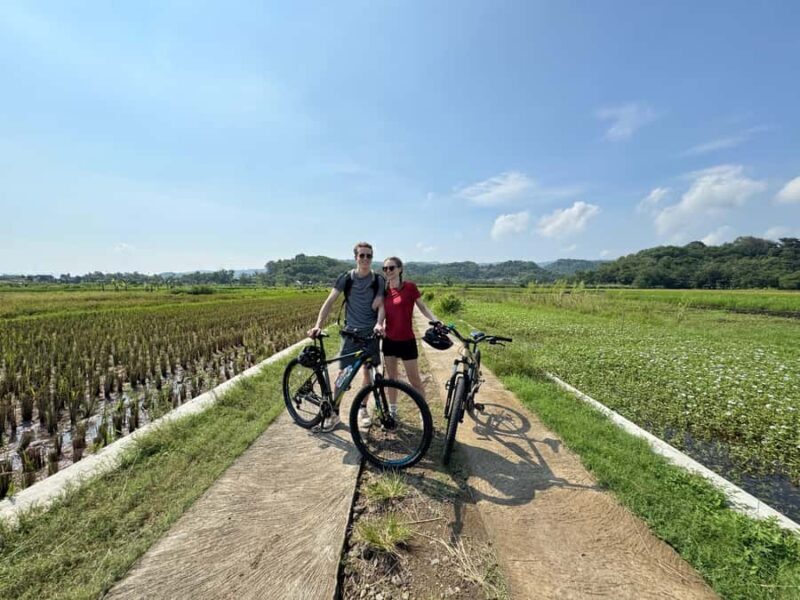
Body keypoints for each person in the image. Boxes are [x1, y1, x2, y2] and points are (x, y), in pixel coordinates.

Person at [308, 242, 385, 432]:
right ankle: (334, 413)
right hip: (351, 334)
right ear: (355, 257)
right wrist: (318, 325)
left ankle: (363, 409)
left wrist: (379, 323)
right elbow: (329, 302)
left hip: (370, 334)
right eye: (362, 255)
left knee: (369, 373)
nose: (365, 259)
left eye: (369, 256)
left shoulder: (378, 280)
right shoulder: (346, 278)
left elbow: (382, 304)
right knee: (344, 374)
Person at [376, 256, 439, 423]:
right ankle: (392, 410)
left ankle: (423, 412)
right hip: (389, 340)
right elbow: (382, 311)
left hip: (407, 341)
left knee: (414, 379)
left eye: (391, 267)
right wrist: (379, 324)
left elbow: (422, 307)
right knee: (391, 379)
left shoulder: (410, 287)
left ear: (400, 269)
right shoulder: (384, 290)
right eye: (385, 268)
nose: (388, 271)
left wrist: (435, 320)